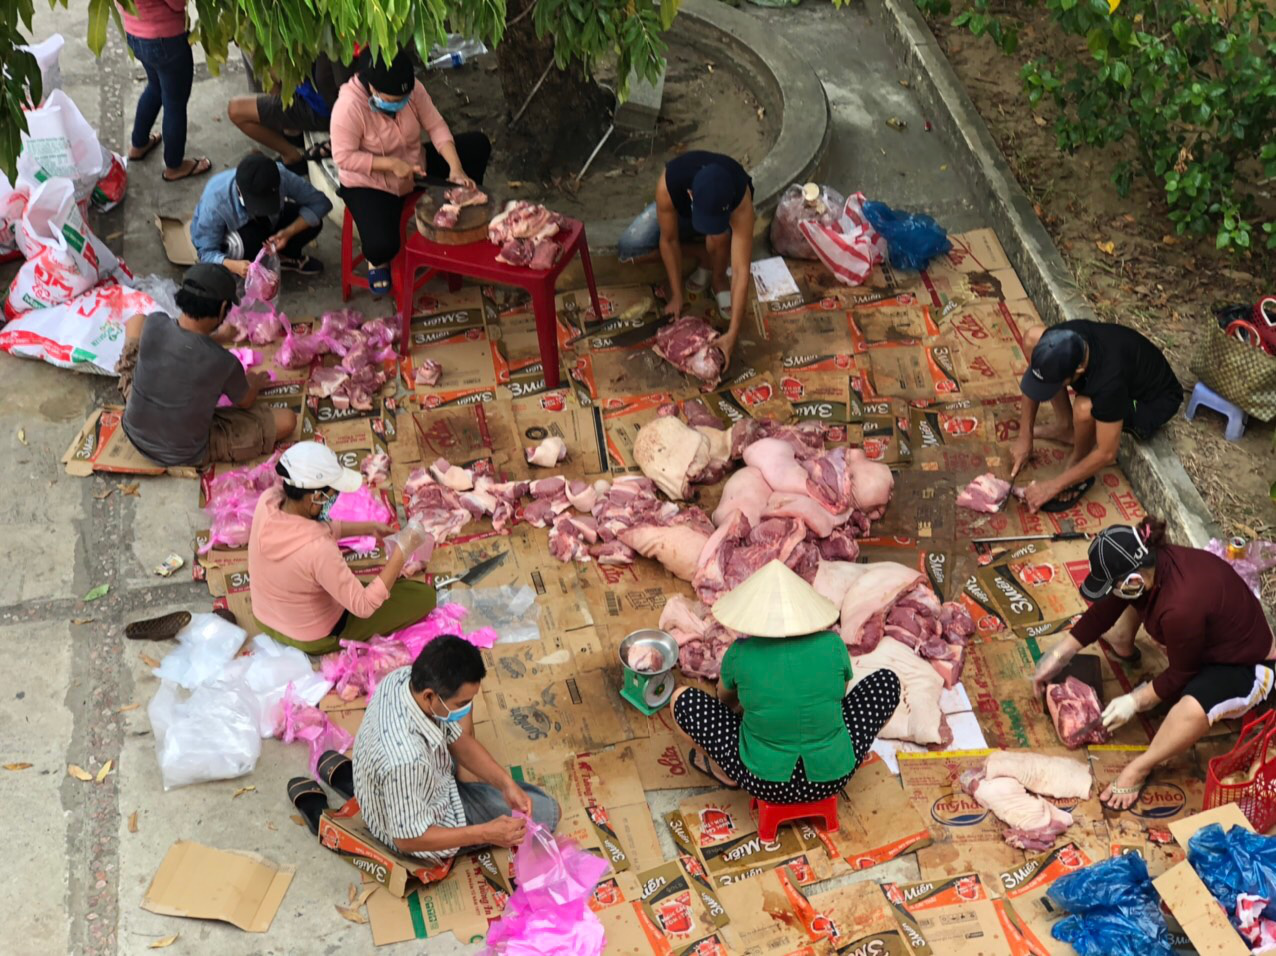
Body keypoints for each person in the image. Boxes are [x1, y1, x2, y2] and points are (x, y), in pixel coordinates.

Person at [1032, 518, 1275, 811]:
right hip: (1203, 638)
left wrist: (1136, 701)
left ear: (1135, 579)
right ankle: (1123, 642)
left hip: (1248, 666)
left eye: (1119, 586)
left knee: (1192, 707)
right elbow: (1105, 608)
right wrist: (1059, 655)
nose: (1117, 593)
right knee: (1127, 610)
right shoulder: (1155, 562)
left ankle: (1141, 767)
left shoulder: (1179, 606)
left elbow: (1182, 674)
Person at [669, 560, 901, 804]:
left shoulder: (741, 653)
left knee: (682, 700)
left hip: (765, 781)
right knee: (887, 683)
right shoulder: (833, 645)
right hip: (832, 776)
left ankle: (727, 772)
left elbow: (725, 702)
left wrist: (763, 704)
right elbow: (840, 698)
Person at [350, 635, 560, 866]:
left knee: (457, 714)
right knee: (548, 812)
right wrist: (485, 833)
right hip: (423, 824)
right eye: (461, 704)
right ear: (429, 695)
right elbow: (407, 839)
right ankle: (467, 786)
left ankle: (468, 780)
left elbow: (457, 738)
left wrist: (505, 784)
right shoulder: (405, 762)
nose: (466, 708)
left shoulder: (400, 679)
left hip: (420, 777)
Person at [247, 441, 438, 656]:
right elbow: (363, 606)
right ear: (316, 497)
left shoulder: (268, 501)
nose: (335, 498)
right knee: (424, 596)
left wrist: (368, 528)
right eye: (332, 493)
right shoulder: (319, 549)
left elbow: (311, 529)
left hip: (264, 618)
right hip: (312, 637)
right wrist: (402, 550)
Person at [330, 47, 491, 296]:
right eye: (393, 101)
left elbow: (436, 126)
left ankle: (459, 207)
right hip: (371, 183)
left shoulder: (413, 89)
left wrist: (455, 168)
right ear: (373, 89)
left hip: (415, 167)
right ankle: (377, 261)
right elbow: (344, 157)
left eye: (403, 98)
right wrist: (391, 165)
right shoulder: (349, 106)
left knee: (477, 145)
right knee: (382, 246)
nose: (400, 104)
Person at [116, 263, 295, 467]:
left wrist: (217, 338)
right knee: (287, 420)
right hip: (184, 453)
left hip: (134, 432)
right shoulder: (223, 362)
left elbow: (187, 346)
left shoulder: (155, 323)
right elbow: (245, 402)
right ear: (222, 308)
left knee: (136, 320)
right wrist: (253, 381)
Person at [1010, 320, 1183, 512]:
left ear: (1079, 370)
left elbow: (1107, 452)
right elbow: (1040, 360)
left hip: (1150, 402)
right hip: (1122, 370)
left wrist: (1053, 486)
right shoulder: (1061, 337)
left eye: (1054, 384)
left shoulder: (1109, 382)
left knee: (1084, 408)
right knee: (1032, 338)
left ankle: (1078, 457)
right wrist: (1024, 436)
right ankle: (1065, 426)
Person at [617, 150, 756, 364]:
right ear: (691, 194)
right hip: (680, 212)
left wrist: (733, 333)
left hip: (715, 216)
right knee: (630, 249)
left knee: (718, 238)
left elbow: (740, 270)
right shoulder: (670, 182)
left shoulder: (740, 198)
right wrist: (676, 295)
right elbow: (668, 240)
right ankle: (702, 254)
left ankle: (717, 277)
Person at [190, 153, 332, 278]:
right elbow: (206, 253)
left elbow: (321, 203)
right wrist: (233, 265)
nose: (261, 209)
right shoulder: (215, 202)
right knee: (246, 244)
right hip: (236, 237)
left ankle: (283, 258)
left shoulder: (281, 175)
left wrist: (288, 232)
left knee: (313, 222)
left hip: (270, 223)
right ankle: (252, 264)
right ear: (239, 190)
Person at [119, 0, 211, 181]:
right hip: (166, 39)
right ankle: (174, 166)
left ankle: (138, 144)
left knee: (155, 87)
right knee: (175, 103)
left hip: (135, 35)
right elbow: (177, 4)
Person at [227, 54, 353, 176]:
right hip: (306, 93)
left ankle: (291, 156)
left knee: (236, 111)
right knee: (258, 54)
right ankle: (290, 130)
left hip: (318, 107)